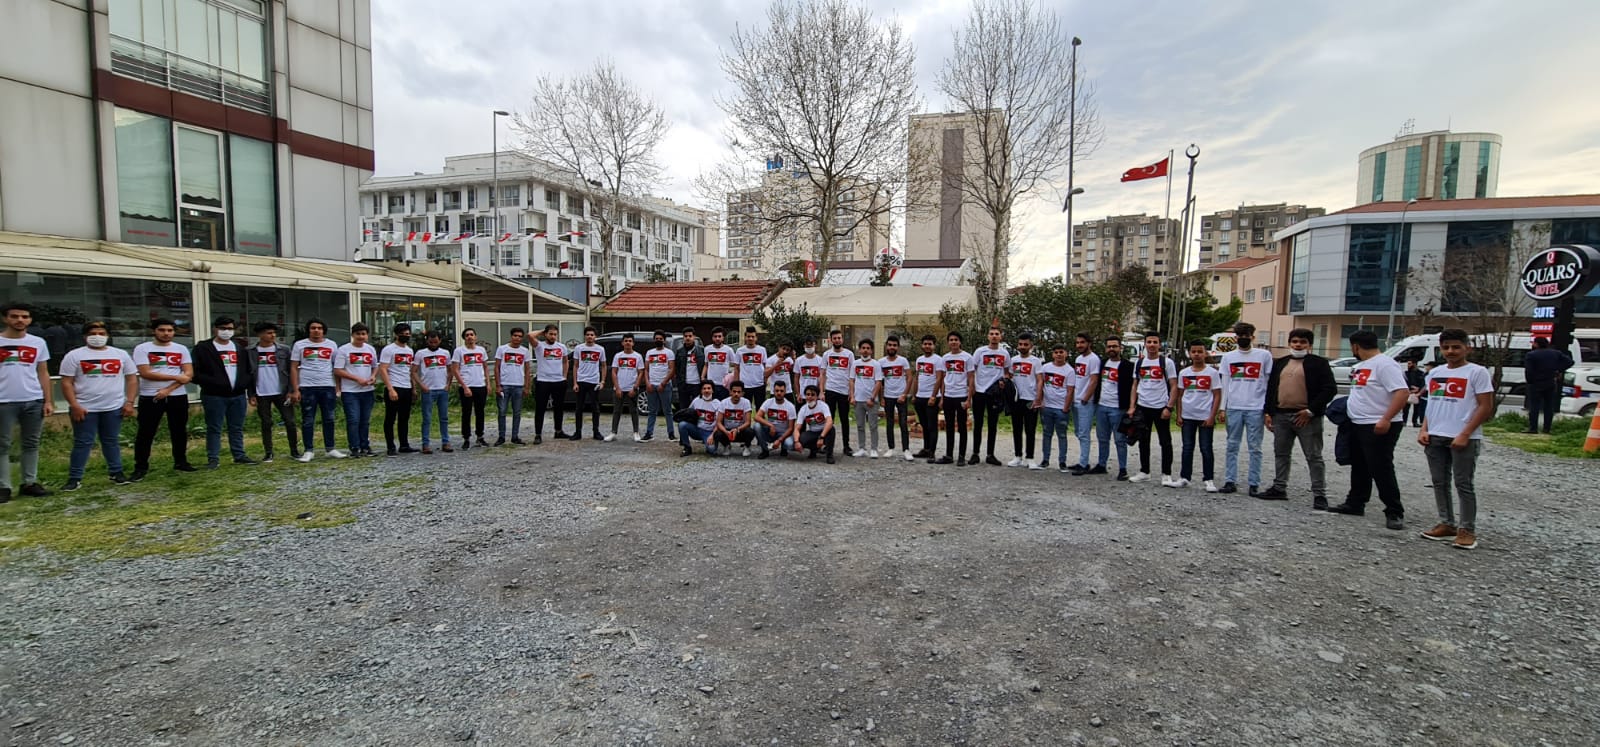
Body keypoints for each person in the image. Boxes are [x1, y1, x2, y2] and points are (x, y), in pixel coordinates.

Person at [1417, 328, 1497, 550]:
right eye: (1446, 347)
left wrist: (1465, 433)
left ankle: (1467, 529)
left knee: (1463, 483)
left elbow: (1485, 406)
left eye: (1456, 347)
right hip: (1435, 436)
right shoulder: (1435, 373)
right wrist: (1424, 429)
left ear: (1467, 348)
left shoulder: (1477, 372)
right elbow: (1432, 403)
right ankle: (1447, 523)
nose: (1450, 351)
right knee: (1439, 481)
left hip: (1463, 437)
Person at [1326, 330, 1410, 530]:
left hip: (1378, 423)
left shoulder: (1385, 364)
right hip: (1357, 422)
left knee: (1380, 467)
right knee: (1359, 464)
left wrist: (1386, 419)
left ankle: (1394, 511)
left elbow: (1402, 392)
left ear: (1355, 346)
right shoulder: (1362, 366)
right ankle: (1356, 502)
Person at [1260, 328, 1337, 509]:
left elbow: (1329, 389)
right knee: (1281, 453)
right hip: (1281, 416)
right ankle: (1279, 487)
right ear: (1289, 343)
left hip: (1307, 418)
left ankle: (1319, 494)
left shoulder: (1319, 364)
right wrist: (1268, 412)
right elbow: (1271, 389)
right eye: (1295, 341)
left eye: (1303, 342)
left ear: (1309, 345)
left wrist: (1310, 411)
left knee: (1313, 456)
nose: (1298, 345)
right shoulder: (1280, 363)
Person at [58, 322, 136, 491]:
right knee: (83, 443)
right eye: (93, 333)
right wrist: (74, 405)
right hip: (85, 408)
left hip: (113, 407)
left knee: (111, 441)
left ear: (107, 336)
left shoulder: (121, 354)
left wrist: (129, 402)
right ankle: (74, 479)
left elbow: (131, 379)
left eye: (101, 333)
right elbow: (66, 382)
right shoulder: (74, 355)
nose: (97, 337)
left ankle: (116, 473)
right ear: (85, 336)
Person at [1, 303, 54, 499]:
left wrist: (48, 400)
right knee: (2, 445)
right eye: (14, 316)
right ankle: (3, 487)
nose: (20, 320)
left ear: (30, 320)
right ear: (5, 318)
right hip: (3, 401)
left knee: (31, 443)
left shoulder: (38, 342)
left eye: (24, 317)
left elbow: (43, 372)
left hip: (33, 400)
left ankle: (29, 483)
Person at [132, 318, 195, 479]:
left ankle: (181, 462)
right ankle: (141, 467)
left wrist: (168, 389)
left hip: (177, 396)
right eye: (162, 330)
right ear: (154, 331)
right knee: (146, 432)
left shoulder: (181, 349)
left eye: (170, 330)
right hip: (151, 396)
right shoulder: (142, 348)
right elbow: (145, 373)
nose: (166, 333)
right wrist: (176, 377)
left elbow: (188, 374)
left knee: (179, 430)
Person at [193, 316, 257, 468]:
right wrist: (212, 383)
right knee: (214, 427)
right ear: (215, 329)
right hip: (214, 395)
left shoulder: (239, 348)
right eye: (223, 328)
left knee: (236, 427)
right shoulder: (203, 348)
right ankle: (213, 459)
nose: (226, 331)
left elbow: (248, 371)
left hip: (237, 395)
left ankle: (239, 455)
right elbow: (195, 372)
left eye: (230, 329)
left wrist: (249, 391)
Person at [1219, 321, 1273, 496]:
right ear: (1235, 338)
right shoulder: (1228, 357)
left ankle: (1254, 483)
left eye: (1246, 336)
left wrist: (1267, 409)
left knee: (1255, 448)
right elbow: (1225, 383)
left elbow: (1269, 382)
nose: (1243, 338)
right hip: (1234, 406)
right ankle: (1230, 480)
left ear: (1252, 337)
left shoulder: (1264, 356)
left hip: (1256, 407)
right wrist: (1222, 407)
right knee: (1232, 445)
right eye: (1240, 336)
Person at [291, 319, 344, 462]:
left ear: (323, 330)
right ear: (308, 330)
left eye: (319, 328)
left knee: (329, 418)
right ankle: (308, 451)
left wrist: (338, 387)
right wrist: (295, 389)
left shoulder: (332, 345)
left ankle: (330, 448)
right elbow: (293, 367)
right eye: (313, 328)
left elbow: (336, 367)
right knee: (308, 420)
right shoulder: (299, 345)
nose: (316, 330)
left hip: (327, 386)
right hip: (307, 386)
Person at [1129, 333, 1178, 484]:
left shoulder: (1167, 363)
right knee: (1143, 440)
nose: (1151, 345)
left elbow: (1174, 385)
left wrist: (1169, 407)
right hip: (1143, 406)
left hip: (1161, 406)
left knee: (1165, 441)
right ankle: (1144, 471)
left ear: (1159, 344)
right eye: (1149, 342)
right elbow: (1135, 385)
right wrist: (1132, 406)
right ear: (1145, 344)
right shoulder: (1139, 363)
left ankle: (1166, 474)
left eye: (1155, 342)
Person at [247, 322, 299, 462]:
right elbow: (248, 374)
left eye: (274, 333)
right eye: (269, 333)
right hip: (261, 392)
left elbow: (291, 371)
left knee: (290, 421)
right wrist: (251, 394)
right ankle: (268, 452)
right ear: (260, 334)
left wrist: (292, 390)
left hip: (282, 391)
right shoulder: (250, 351)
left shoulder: (284, 350)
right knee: (266, 422)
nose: (273, 335)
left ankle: (294, 450)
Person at [1174, 340, 1222, 491]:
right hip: (1188, 416)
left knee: (1206, 448)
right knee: (1187, 447)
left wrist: (1212, 416)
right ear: (1189, 353)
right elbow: (1180, 395)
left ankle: (1208, 479)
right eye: (1193, 351)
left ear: (1205, 353)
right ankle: (1185, 477)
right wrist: (1179, 415)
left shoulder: (1212, 373)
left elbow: (1217, 395)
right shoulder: (1184, 373)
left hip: (1205, 416)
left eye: (1200, 351)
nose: (1197, 354)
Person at [1090, 336, 1135, 480]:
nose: (1111, 349)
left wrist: (1131, 407)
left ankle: (1123, 469)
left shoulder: (1128, 366)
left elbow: (1133, 387)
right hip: (1102, 406)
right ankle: (1101, 464)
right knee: (1102, 438)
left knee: (1120, 440)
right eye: (1109, 346)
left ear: (1120, 348)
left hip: (1118, 408)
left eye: (1114, 346)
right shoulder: (1102, 363)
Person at [334, 323, 378, 457]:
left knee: (365, 420)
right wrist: (356, 379)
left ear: (367, 335)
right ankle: (354, 447)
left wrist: (373, 376)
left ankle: (365, 446)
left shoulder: (370, 349)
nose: (361, 336)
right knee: (353, 420)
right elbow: (338, 370)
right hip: (350, 391)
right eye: (358, 334)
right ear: (353, 335)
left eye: (363, 334)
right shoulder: (343, 350)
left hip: (367, 391)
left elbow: (375, 366)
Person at [971, 326, 1010, 466]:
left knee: (992, 424)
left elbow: (1007, 372)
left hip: (994, 393)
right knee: (978, 423)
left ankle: (990, 454)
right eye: (992, 334)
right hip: (979, 392)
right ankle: (975, 453)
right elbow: (972, 370)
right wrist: (972, 388)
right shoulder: (980, 351)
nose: (994, 336)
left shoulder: (1004, 353)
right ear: (988, 336)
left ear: (1001, 337)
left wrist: (1004, 381)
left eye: (997, 334)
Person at [377, 324, 416, 456]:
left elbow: (409, 370)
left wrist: (413, 388)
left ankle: (404, 444)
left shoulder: (409, 350)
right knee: (390, 418)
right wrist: (390, 389)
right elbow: (383, 369)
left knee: (404, 418)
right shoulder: (389, 349)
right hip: (394, 386)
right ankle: (390, 446)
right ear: (396, 334)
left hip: (406, 387)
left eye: (408, 334)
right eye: (403, 334)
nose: (406, 336)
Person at [935, 332, 974, 465]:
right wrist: (942, 397)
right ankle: (949, 455)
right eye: (951, 340)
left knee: (962, 427)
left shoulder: (967, 357)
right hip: (948, 396)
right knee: (949, 426)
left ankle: (961, 456)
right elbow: (943, 378)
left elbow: (971, 378)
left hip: (961, 395)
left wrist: (969, 399)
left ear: (960, 342)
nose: (953, 342)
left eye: (956, 340)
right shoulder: (945, 358)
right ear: (948, 342)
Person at [1523, 336, 1573, 434]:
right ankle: (1547, 428)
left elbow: (1529, 370)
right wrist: (1558, 370)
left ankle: (1533, 428)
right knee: (1549, 406)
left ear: (1536, 344)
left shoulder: (1531, 355)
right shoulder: (1556, 353)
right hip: (1550, 382)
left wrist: (1530, 381)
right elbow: (1569, 362)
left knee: (1534, 406)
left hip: (1536, 383)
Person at [413, 331, 453, 453]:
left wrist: (448, 385)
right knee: (427, 418)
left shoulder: (445, 353)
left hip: (442, 389)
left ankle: (446, 442)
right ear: (427, 341)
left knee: (444, 417)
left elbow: (450, 370)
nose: (433, 344)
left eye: (435, 342)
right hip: (428, 390)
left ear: (440, 341)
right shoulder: (420, 353)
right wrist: (421, 386)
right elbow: (414, 371)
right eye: (431, 342)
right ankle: (425, 444)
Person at [1068, 333, 1102, 474]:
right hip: (1075, 399)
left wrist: (1086, 398)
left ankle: (1083, 463)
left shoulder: (1093, 359)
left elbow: (1094, 380)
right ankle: (1082, 461)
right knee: (1078, 432)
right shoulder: (1079, 358)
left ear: (1089, 343)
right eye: (1077, 342)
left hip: (1085, 402)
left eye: (1082, 342)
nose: (1079, 345)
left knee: (1084, 433)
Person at [1007, 333, 1043, 467]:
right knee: (1017, 428)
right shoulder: (1013, 360)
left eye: (1025, 344)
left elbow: (1040, 380)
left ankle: (1030, 458)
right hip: (1016, 399)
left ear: (1031, 346)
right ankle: (1018, 456)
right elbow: (1010, 377)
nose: (1022, 346)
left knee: (1030, 429)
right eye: (1020, 344)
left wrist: (1038, 398)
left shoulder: (1036, 361)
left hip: (1030, 399)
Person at [451, 328, 490, 449]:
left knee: (480, 412)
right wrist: (464, 386)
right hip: (467, 385)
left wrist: (488, 384)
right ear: (464, 338)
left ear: (475, 337)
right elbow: (455, 369)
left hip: (480, 385)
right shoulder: (459, 351)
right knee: (466, 413)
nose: (470, 337)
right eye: (467, 335)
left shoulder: (481, 350)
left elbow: (485, 367)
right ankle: (466, 438)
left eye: (472, 334)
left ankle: (480, 437)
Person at [1037, 344, 1074, 472]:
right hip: (1047, 407)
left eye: (1061, 352)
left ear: (1066, 354)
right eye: (1056, 352)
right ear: (1053, 354)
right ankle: (1045, 460)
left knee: (1062, 435)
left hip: (1061, 408)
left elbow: (1070, 390)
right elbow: (1041, 385)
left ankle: (1062, 462)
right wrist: (1041, 401)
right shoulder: (1045, 368)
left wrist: (1066, 408)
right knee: (1047, 434)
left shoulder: (1069, 371)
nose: (1059, 354)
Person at [529, 324, 568, 443]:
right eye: (550, 334)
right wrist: (542, 331)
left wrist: (564, 376)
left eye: (555, 334)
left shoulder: (561, 347)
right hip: (543, 381)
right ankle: (538, 434)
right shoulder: (539, 346)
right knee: (540, 408)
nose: (553, 336)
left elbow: (565, 362)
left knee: (559, 408)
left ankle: (558, 431)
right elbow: (530, 335)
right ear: (545, 334)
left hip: (558, 381)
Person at [493, 327, 529, 445]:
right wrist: (498, 385)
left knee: (517, 413)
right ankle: (501, 437)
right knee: (502, 411)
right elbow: (497, 367)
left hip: (518, 385)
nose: (517, 338)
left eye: (520, 336)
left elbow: (527, 369)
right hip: (504, 385)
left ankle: (515, 436)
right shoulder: (502, 349)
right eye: (515, 336)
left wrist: (526, 386)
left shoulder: (525, 351)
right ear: (511, 336)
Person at [878, 336, 913, 461]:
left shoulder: (903, 361)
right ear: (886, 346)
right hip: (888, 396)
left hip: (901, 396)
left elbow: (909, 377)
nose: (892, 347)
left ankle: (906, 449)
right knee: (889, 423)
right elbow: (880, 381)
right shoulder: (881, 362)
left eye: (894, 345)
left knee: (903, 423)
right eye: (890, 345)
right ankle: (890, 448)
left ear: (898, 347)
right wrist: (881, 398)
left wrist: (905, 394)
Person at [821, 329, 855, 455]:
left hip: (844, 392)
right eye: (834, 338)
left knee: (844, 419)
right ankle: (827, 445)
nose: (837, 340)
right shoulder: (826, 354)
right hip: (830, 390)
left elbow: (852, 375)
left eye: (839, 338)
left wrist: (851, 393)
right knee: (829, 419)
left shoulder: (849, 354)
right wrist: (821, 391)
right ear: (831, 340)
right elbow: (822, 374)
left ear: (842, 339)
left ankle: (846, 446)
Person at [569, 326, 607, 440]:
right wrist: (575, 383)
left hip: (594, 381)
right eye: (587, 335)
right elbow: (575, 365)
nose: (589, 337)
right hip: (581, 381)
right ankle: (578, 432)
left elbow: (604, 365)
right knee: (579, 408)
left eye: (592, 335)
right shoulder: (579, 348)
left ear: (595, 337)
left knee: (595, 408)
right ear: (584, 336)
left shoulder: (600, 349)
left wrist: (602, 381)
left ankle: (596, 432)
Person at [910, 335, 943, 460]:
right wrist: (914, 395)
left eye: (930, 344)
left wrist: (933, 396)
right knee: (924, 424)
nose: (927, 346)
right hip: (920, 397)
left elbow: (939, 378)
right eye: (925, 344)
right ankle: (926, 448)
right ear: (922, 345)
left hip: (932, 397)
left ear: (934, 346)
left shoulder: (938, 360)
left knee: (932, 426)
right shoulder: (919, 359)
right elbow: (917, 377)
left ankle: (932, 452)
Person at [641, 330, 677, 442]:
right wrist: (647, 383)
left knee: (668, 411)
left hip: (665, 386)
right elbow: (646, 369)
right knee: (652, 411)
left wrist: (663, 383)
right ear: (654, 340)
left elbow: (672, 369)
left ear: (664, 341)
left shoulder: (669, 353)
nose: (658, 340)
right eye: (656, 339)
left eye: (660, 339)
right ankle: (649, 433)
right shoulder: (649, 352)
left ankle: (671, 434)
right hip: (652, 385)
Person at [849, 339, 882, 457]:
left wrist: (872, 398)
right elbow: (852, 380)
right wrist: (852, 396)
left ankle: (874, 449)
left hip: (871, 401)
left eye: (868, 348)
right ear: (859, 350)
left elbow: (878, 382)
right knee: (860, 426)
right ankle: (862, 448)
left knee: (873, 426)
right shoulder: (855, 364)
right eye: (863, 348)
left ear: (871, 351)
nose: (865, 350)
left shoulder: (876, 364)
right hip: (858, 400)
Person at [609, 334, 644, 441]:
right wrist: (617, 388)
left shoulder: (638, 356)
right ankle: (613, 432)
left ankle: (636, 432)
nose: (628, 343)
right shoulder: (618, 356)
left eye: (630, 341)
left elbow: (641, 373)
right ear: (622, 343)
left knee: (634, 411)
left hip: (632, 389)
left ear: (633, 343)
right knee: (616, 411)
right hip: (619, 388)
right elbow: (614, 372)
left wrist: (635, 387)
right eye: (626, 341)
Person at [754, 379, 797, 458]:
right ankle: (765, 450)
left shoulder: (790, 406)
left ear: (785, 392)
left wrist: (780, 440)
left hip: (783, 433)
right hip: (770, 432)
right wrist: (770, 425)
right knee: (756, 426)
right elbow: (756, 417)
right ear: (773, 391)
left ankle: (784, 448)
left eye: (781, 391)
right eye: (777, 391)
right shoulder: (768, 402)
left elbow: (791, 428)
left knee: (790, 445)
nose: (779, 393)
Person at [678, 381, 721, 456]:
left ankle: (711, 443)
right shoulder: (696, 401)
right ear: (701, 390)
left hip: (709, 432)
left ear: (712, 390)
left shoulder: (717, 403)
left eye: (709, 388)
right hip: (697, 429)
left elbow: (719, 423)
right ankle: (687, 447)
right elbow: (688, 413)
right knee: (682, 425)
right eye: (704, 388)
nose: (706, 390)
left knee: (712, 450)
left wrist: (712, 435)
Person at [796, 384, 836, 464]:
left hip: (824, 431)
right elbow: (797, 428)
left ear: (817, 396)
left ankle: (829, 455)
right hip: (813, 432)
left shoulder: (823, 406)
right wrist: (796, 442)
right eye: (808, 394)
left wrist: (822, 437)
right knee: (802, 438)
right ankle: (814, 450)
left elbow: (830, 421)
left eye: (812, 395)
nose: (810, 397)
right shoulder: (803, 409)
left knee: (831, 430)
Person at [714, 381, 756, 456]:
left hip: (740, 430)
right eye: (734, 391)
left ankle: (747, 446)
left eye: (739, 392)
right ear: (730, 392)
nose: (736, 394)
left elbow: (748, 422)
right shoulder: (723, 402)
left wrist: (737, 429)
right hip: (727, 430)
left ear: (742, 393)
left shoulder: (746, 402)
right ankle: (726, 445)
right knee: (718, 433)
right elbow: (718, 422)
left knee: (750, 431)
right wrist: (726, 431)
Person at [735, 326, 769, 408]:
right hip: (745, 385)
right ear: (745, 338)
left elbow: (765, 367)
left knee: (760, 408)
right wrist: (736, 384)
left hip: (759, 384)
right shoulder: (739, 351)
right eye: (748, 336)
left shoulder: (762, 350)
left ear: (756, 338)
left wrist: (765, 380)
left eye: (752, 336)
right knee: (745, 408)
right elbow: (736, 368)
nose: (750, 338)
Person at [702, 326, 735, 400]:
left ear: (723, 338)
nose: (717, 338)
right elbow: (706, 365)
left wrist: (731, 377)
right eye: (715, 336)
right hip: (711, 384)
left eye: (719, 336)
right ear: (712, 338)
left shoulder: (728, 350)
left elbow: (736, 365)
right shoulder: (707, 349)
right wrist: (702, 377)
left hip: (724, 384)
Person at [676, 326, 704, 410]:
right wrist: (679, 382)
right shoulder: (679, 351)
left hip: (697, 383)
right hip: (684, 384)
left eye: (690, 336)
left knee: (697, 407)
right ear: (683, 338)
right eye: (686, 336)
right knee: (683, 408)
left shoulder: (701, 350)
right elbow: (677, 367)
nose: (688, 338)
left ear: (694, 337)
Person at [795, 337, 825, 405]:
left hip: (816, 395)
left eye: (811, 345)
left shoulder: (820, 360)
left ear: (815, 345)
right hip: (803, 395)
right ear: (804, 346)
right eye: (807, 345)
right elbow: (796, 378)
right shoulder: (799, 360)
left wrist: (821, 392)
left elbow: (822, 378)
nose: (809, 347)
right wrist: (798, 394)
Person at [1402, 360, 1425, 427]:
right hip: (1408, 392)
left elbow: (1423, 383)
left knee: (1417, 409)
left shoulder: (1421, 373)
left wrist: (1418, 389)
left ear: (1414, 364)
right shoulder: (1406, 373)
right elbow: (1404, 382)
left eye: (1410, 363)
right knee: (1405, 408)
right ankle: (1404, 421)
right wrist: (1409, 389)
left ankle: (1415, 422)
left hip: (1417, 393)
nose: (1408, 365)